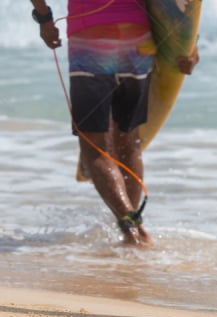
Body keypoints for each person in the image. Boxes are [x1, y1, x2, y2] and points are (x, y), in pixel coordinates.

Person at [31, 0, 199, 246]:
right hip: (138, 39)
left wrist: (44, 19)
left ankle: (131, 229)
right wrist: (189, 40)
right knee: (130, 140)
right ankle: (133, 229)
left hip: (90, 39)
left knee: (94, 144)